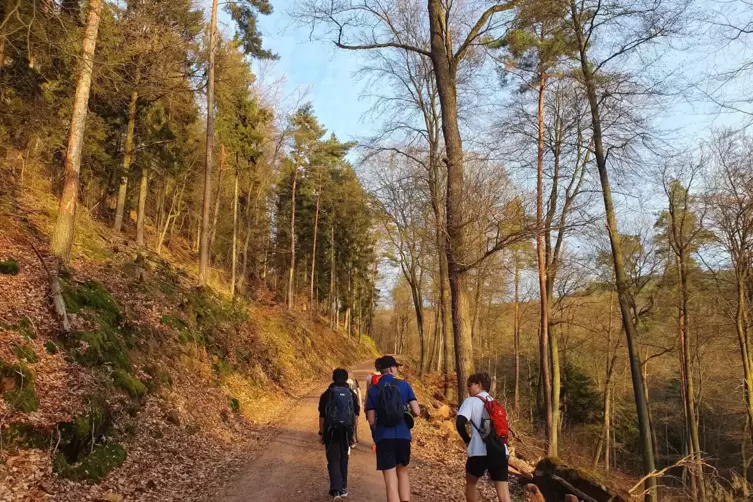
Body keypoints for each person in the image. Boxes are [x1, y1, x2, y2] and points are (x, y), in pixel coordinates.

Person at [366, 355, 420, 502]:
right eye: (396, 367)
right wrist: (404, 418)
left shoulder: (373, 389)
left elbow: (371, 420)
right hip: (403, 436)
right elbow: (416, 411)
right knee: (402, 472)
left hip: (384, 437)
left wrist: (382, 423)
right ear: (391, 369)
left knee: (390, 481)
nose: (397, 369)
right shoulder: (404, 385)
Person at [455, 372, 511, 502]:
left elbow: (459, 422)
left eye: (470, 385)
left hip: (478, 451)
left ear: (478, 385)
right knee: (504, 495)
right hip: (500, 450)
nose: (468, 388)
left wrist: (467, 440)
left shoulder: (470, 401)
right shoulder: (497, 404)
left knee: (471, 484)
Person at [319, 368, 360, 500]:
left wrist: (321, 433)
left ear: (333, 378)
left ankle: (336, 490)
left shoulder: (326, 394)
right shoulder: (351, 394)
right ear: (346, 378)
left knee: (333, 459)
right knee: (343, 458)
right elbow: (354, 416)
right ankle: (343, 488)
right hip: (346, 430)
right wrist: (353, 434)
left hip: (331, 430)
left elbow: (322, 416)